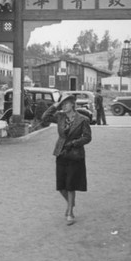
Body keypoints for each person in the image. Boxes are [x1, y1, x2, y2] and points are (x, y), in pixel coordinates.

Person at [42, 93, 92, 225]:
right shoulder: (60, 117)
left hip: (75, 155)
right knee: (61, 186)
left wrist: (75, 143)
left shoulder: (83, 119)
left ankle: (70, 212)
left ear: (73, 104)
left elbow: (87, 137)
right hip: (61, 153)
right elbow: (44, 117)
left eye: (66, 104)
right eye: (62, 104)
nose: (63, 106)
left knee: (71, 185)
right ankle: (71, 203)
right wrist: (54, 106)